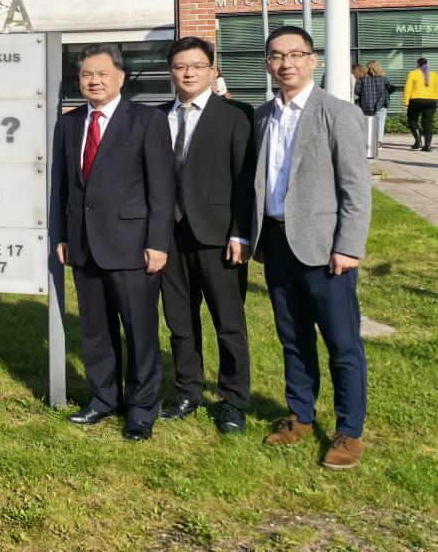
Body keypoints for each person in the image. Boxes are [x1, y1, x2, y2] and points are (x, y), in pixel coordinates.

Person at [253, 26, 372, 470]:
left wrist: (349, 246)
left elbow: (356, 188)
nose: (286, 63)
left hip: (325, 250)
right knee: (293, 337)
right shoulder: (263, 116)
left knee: (342, 342)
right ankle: (300, 416)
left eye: (295, 54)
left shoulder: (338, 113)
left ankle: (349, 431)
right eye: (276, 56)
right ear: (268, 64)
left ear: (312, 60)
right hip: (277, 243)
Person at [51, 43, 176, 442]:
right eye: (86, 74)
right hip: (84, 244)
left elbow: (162, 189)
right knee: (95, 330)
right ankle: (103, 398)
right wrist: (62, 236)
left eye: (102, 73)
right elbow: (62, 187)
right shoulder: (69, 124)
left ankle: (141, 410)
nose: (94, 81)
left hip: (132, 246)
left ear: (121, 77)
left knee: (139, 332)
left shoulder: (147, 120)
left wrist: (158, 242)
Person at [158, 37, 256, 435]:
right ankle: (188, 390)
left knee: (228, 323)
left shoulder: (235, 115)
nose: (188, 73)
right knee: (179, 321)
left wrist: (241, 233)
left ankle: (233, 400)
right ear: (171, 72)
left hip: (218, 237)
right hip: (169, 237)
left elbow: (245, 181)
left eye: (197, 65)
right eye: (180, 66)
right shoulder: (157, 117)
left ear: (212, 70)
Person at [353, 61, 395, 148]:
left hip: (366, 104)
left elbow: (357, 91)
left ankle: (367, 142)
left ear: (368, 69)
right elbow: (392, 87)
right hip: (381, 104)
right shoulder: (384, 79)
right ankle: (378, 142)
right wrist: (386, 93)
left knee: (367, 123)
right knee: (380, 123)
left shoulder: (362, 79)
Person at [403, 57, 438, 152]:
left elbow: (408, 89)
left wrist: (405, 103)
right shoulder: (434, 75)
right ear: (427, 64)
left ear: (418, 64)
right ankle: (428, 146)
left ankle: (418, 143)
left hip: (416, 100)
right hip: (432, 101)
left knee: (412, 121)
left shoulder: (412, 73)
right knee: (428, 123)